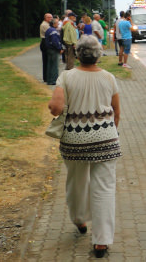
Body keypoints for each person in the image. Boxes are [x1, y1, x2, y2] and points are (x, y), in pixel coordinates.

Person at [47, 35, 121, 259]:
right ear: (98, 55)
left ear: (77, 54)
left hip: (75, 141)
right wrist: (110, 131)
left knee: (76, 181)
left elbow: (56, 109)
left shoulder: (66, 77)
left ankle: (79, 219)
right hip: (106, 141)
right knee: (105, 188)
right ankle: (102, 242)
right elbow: (117, 111)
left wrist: (54, 104)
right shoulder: (109, 78)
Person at [45, 18, 63, 85]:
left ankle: (49, 79)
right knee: (54, 65)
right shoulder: (54, 31)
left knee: (50, 65)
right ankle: (54, 80)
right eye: (57, 23)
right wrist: (60, 48)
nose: (58, 24)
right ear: (54, 24)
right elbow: (55, 42)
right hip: (53, 50)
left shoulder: (48, 30)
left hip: (49, 49)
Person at [40, 13, 53, 82]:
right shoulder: (44, 25)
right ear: (45, 18)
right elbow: (50, 32)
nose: (51, 19)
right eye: (49, 17)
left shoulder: (47, 24)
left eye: (51, 17)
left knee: (48, 60)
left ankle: (47, 76)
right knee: (46, 61)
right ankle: (46, 77)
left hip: (46, 41)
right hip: (45, 41)